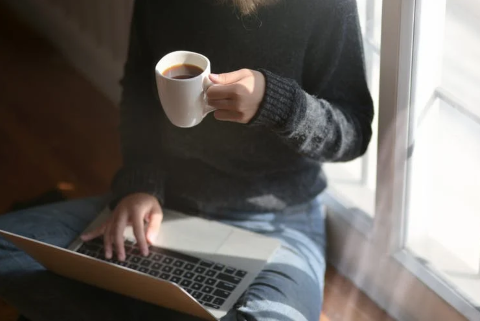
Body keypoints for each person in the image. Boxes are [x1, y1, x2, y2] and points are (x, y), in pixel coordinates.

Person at [0, 0, 374, 320]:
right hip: (166, 204)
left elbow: (353, 133)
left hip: (276, 221)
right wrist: (141, 183)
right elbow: (140, 93)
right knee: (8, 251)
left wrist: (279, 105)